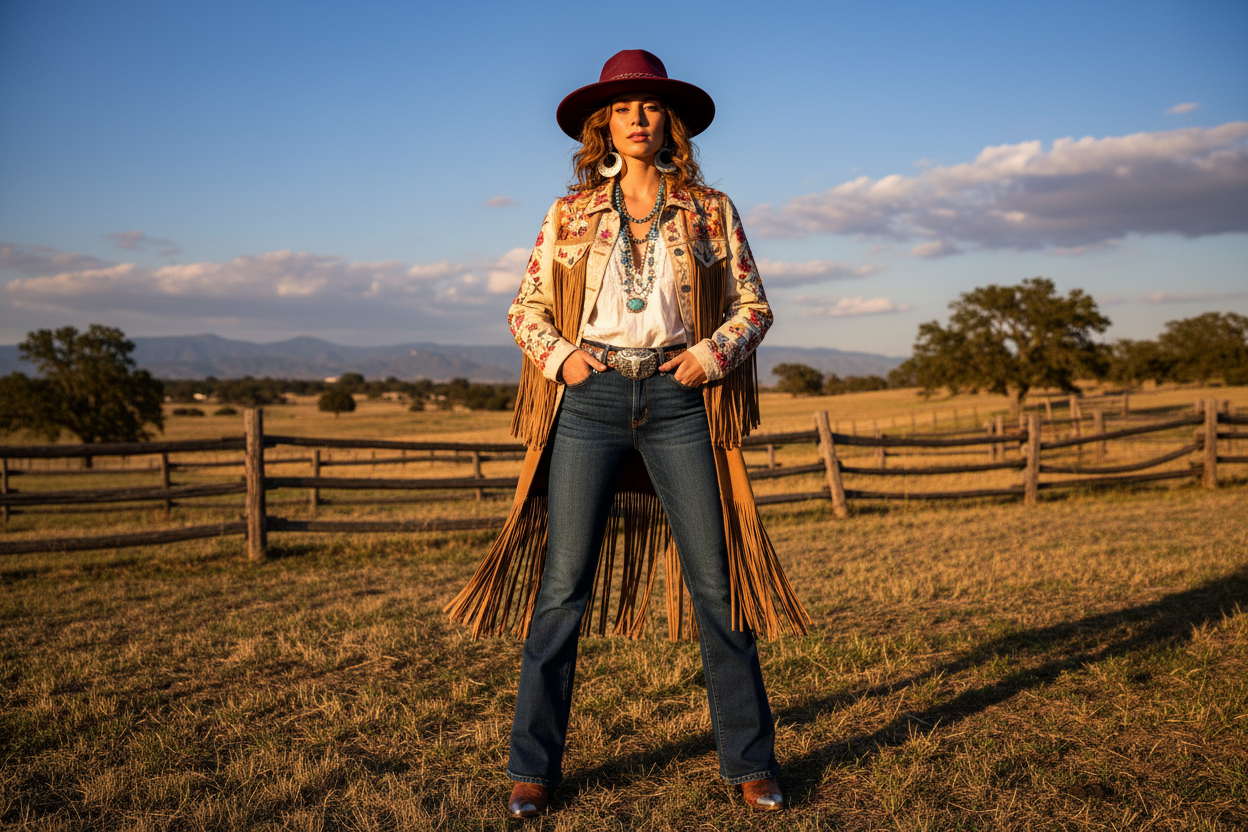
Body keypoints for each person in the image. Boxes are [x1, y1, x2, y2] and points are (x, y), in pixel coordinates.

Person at [443, 49, 810, 819]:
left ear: (669, 122)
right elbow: (525, 309)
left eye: (649, 106)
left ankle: (750, 762)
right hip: (591, 400)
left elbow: (754, 306)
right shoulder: (568, 214)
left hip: (680, 402)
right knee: (562, 589)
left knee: (718, 585)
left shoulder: (711, 209)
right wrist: (565, 360)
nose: (637, 119)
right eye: (622, 108)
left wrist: (710, 356)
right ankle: (532, 772)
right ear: (602, 125)